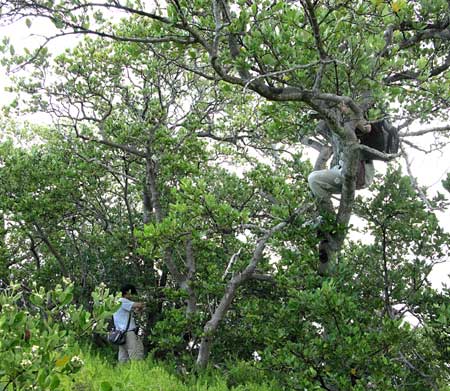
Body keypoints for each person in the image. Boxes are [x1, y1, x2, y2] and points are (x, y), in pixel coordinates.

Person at [113, 283, 145, 363]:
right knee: (136, 355)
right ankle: (137, 373)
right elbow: (139, 305)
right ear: (127, 292)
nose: (132, 296)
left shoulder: (116, 302)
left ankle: (122, 373)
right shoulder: (122, 301)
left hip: (121, 333)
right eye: (131, 294)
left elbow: (135, 310)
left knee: (123, 357)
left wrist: (138, 309)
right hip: (128, 333)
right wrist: (142, 304)